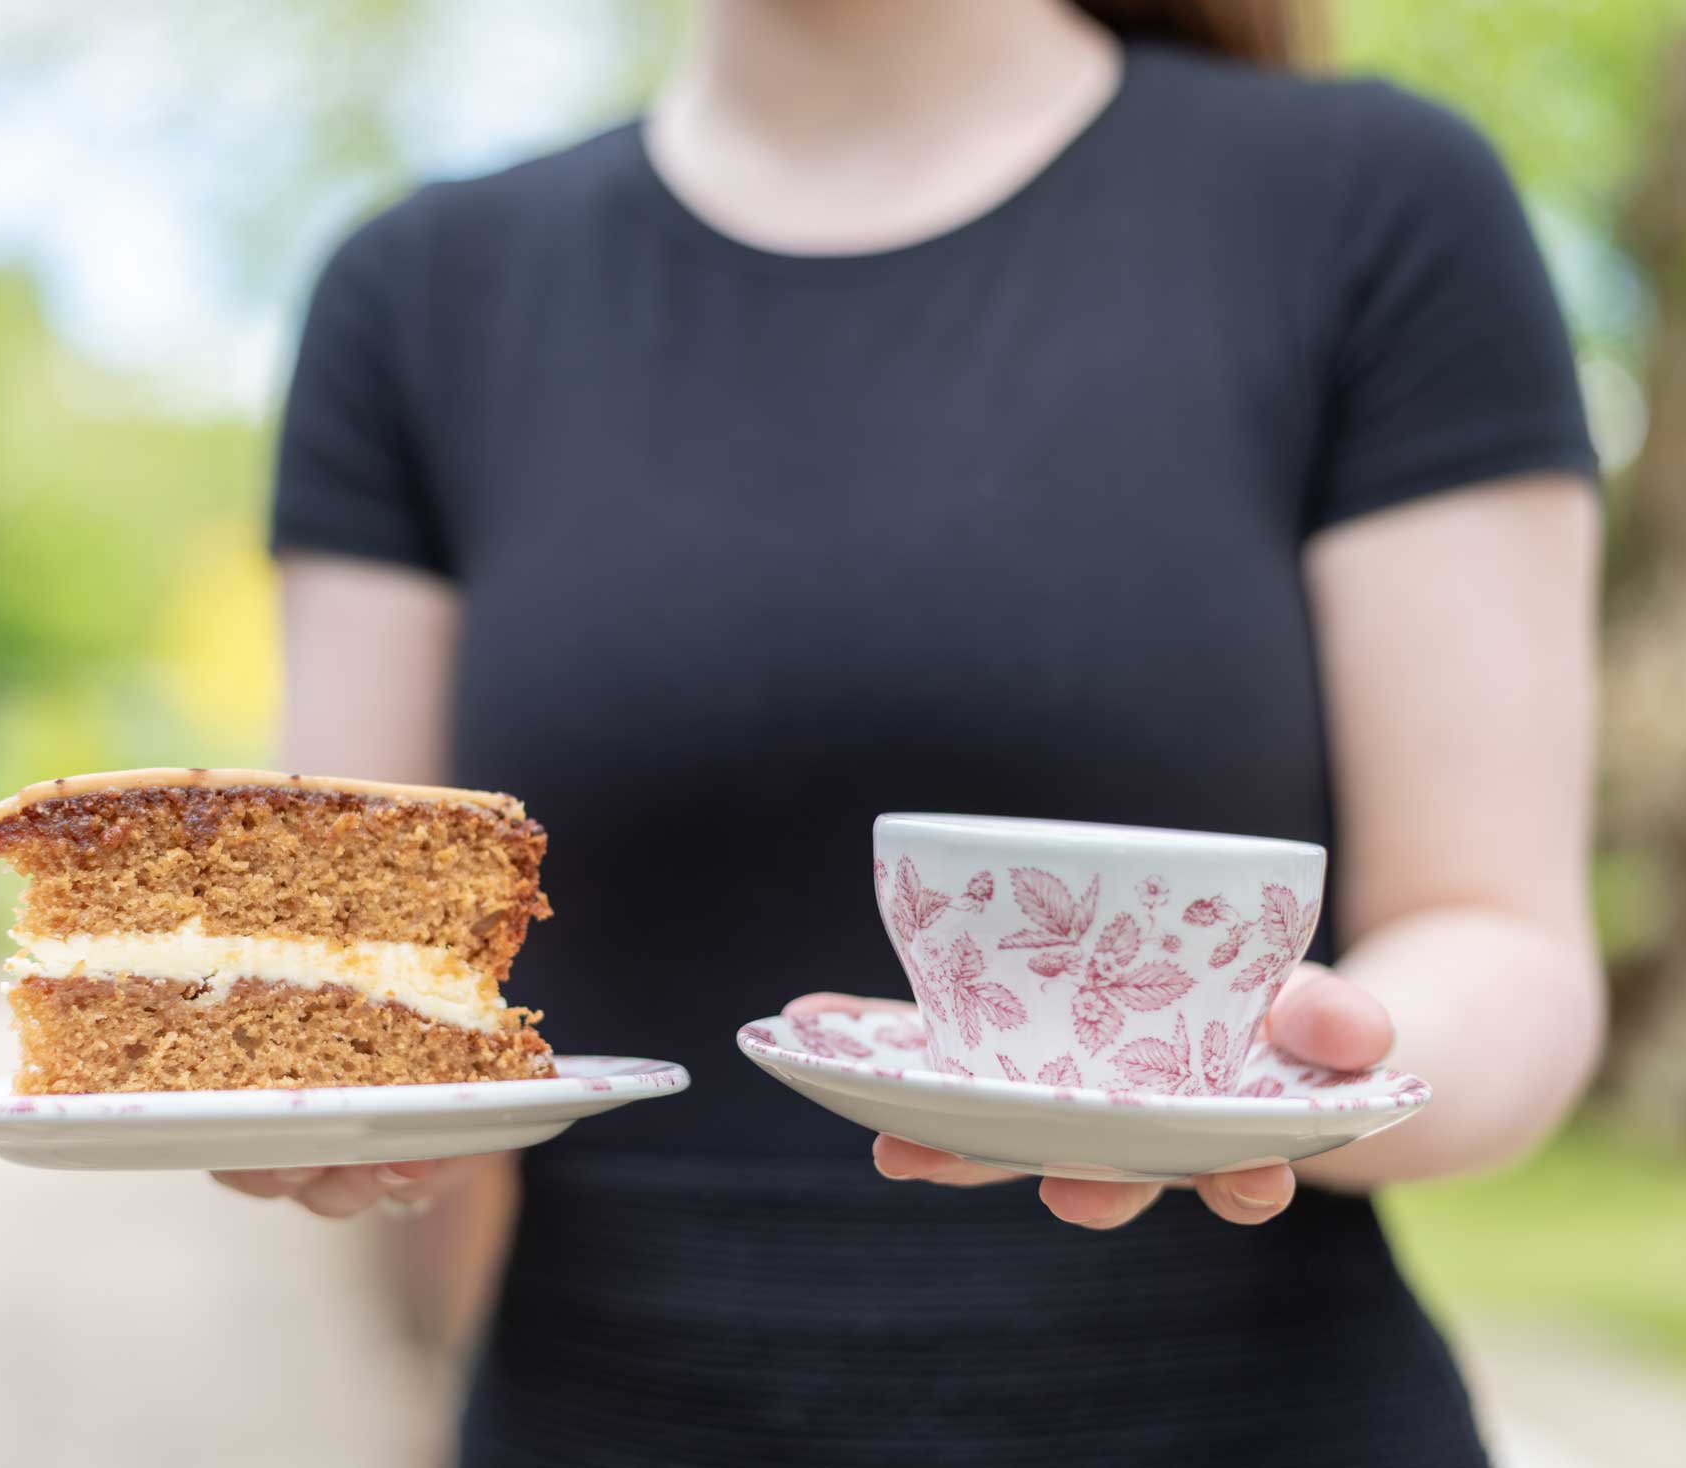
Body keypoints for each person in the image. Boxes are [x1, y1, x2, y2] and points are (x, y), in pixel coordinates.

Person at [219, 1, 1605, 1461]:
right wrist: (321, 1115)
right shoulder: (417, 292)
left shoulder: (1375, 201)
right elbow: (364, 974)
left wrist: (1298, 1077)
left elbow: (1498, 934)